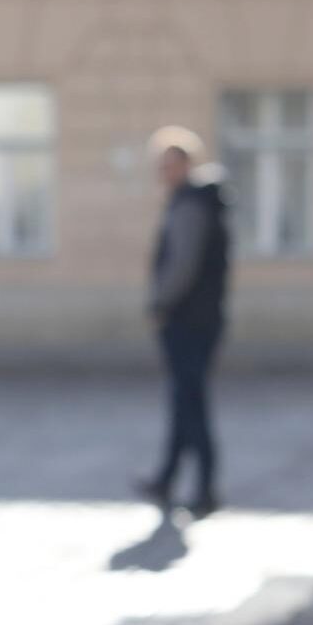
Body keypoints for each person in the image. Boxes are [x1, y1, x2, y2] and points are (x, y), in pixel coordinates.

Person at [134, 126, 232, 519]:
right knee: (182, 401)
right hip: (196, 316)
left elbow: (182, 265)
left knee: (191, 402)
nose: (164, 173)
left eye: (170, 165)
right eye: (161, 166)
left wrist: (161, 302)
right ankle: (168, 477)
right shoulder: (193, 201)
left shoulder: (191, 204)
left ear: (187, 164)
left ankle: (206, 486)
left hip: (190, 319)